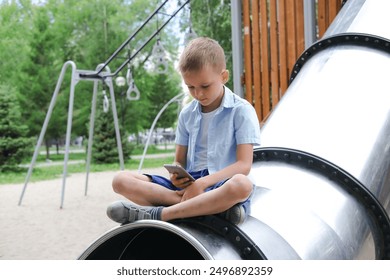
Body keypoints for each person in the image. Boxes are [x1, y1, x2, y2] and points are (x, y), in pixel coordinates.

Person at [107, 37, 261, 225]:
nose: (199, 94)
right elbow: (179, 161)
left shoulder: (242, 110)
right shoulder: (187, 114)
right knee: (120, 180)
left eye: (205, 86)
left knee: (242, 185)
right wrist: (177, 175)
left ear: (224, 76)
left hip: (221, 183)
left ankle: (162, 214)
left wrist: (202, 184)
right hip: (188, 185)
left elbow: (244, 165)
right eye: (191, 87)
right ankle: (207, 208)